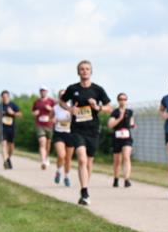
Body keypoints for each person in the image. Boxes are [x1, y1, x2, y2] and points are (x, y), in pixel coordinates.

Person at [59, 60, 111, 206]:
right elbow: (61, 101)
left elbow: (109, 107)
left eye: (87, 69)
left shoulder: (98, 90)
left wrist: (98, 107)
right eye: (82, 69)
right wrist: (70, 109)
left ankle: (85, 186)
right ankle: (84, 192)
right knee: (82, 159)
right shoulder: (72, 88)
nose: (85, 71)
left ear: (91, 71)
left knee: (88, 162)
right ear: (78, 72)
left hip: (93, 130)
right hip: (77, 129)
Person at [107, 92, 135, 188]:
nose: (123, 101)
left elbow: (132, 122)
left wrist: (132, 125)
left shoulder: (130, 112)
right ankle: (116, 179)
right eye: (121, 99)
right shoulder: (115, 112)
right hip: (117, 137)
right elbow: (110, 125)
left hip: (127, 137)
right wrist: (120, 118)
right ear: (118, 100)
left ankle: (126, 180)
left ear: (126, 100)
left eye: (124, 99)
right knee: (117, 160)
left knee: (126, 157)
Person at [52, 88, 73, 187]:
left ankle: (66, 177)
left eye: (64, 95)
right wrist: (53, 119)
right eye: (61, 95)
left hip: (70, 134)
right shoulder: (55, 108)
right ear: (59, 97)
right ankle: (58, 171)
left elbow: (78, 118)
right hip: (59, 134)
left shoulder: (71, 107)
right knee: (61, 155)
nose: (63, 97)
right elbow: (50, 118)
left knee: (68, 158)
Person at [32, 87, 55, 170]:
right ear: (39, 92)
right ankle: (43, 161)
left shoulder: (52, 101)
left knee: (48, 144)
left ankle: (46, 157)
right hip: (39, 125)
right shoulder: (36, 102)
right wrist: (35, 113)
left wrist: (50, 109)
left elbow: (56, 112)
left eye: (44, 91)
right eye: (41, 91)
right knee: (42, 142)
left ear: (47, 92)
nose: (43, 92)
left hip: (49, 125)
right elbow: (33, 112)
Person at [0, 91, 21, 169]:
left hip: (11, 128)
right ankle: (5, 161)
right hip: (2, 128)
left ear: (8, 97)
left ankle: (8, 159)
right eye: (3, 97)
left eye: (6, 97)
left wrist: (13, 113)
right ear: (1, 97)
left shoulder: (13, 105)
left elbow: (20, 114)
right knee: (3, 144)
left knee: (11, 147)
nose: (5, 98)